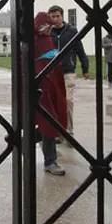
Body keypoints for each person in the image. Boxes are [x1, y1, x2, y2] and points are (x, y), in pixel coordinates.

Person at [34, 12, 69, 176]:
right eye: (47, 25)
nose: (50, 29)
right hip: (40, 90)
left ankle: (48, 157)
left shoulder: (48, 39)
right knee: (47, 122)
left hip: (52, 86)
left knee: (49, 122)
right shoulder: (33, 42)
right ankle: (50, 160)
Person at [48, 5, 89, 143]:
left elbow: (80, 50)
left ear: (62, 16)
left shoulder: (71, 31)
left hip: (68, 71)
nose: (55, 19)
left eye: (57, 16)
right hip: (52, 72)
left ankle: (68, 131)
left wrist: (85, 67)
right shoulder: (48, 32)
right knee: (54, 102)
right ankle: (57, 131)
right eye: (52, 17)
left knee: (67, 101)